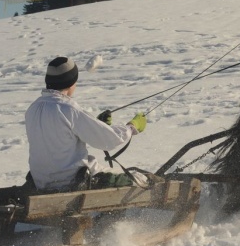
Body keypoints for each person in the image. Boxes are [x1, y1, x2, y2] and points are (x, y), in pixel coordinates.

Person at [24, 56, 148, 192]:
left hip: (41, 183)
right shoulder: (68, 109)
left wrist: (98, 124)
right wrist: (132, 126)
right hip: (72, 182)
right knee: (139, 179)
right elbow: (108, 140)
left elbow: (61, 138)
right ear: (71, 82)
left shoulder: (33, 108)